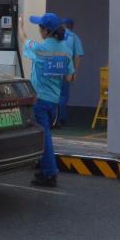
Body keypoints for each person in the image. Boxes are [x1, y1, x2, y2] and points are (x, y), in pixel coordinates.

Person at [18, 12, 74, 188]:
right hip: (54, 102)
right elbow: (69, 77)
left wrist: (20, 26)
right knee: (44, 135)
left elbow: (24, 40)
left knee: (44, 137)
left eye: (40, 27)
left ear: (47, 31)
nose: (39, 30)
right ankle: (44, 170)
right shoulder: (66, 51)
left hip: (40, 101)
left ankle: (50, 173)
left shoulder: (40, 49)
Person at [56, 17, 84, 127]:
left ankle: (52, 118)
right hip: (66, 69)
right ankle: (60, 119)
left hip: (52, 69)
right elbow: (77, 56)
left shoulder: (55, 35)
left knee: (53, 94)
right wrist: (75, 72)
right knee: (63, 95)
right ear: (72, 27)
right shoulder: (74, 37)